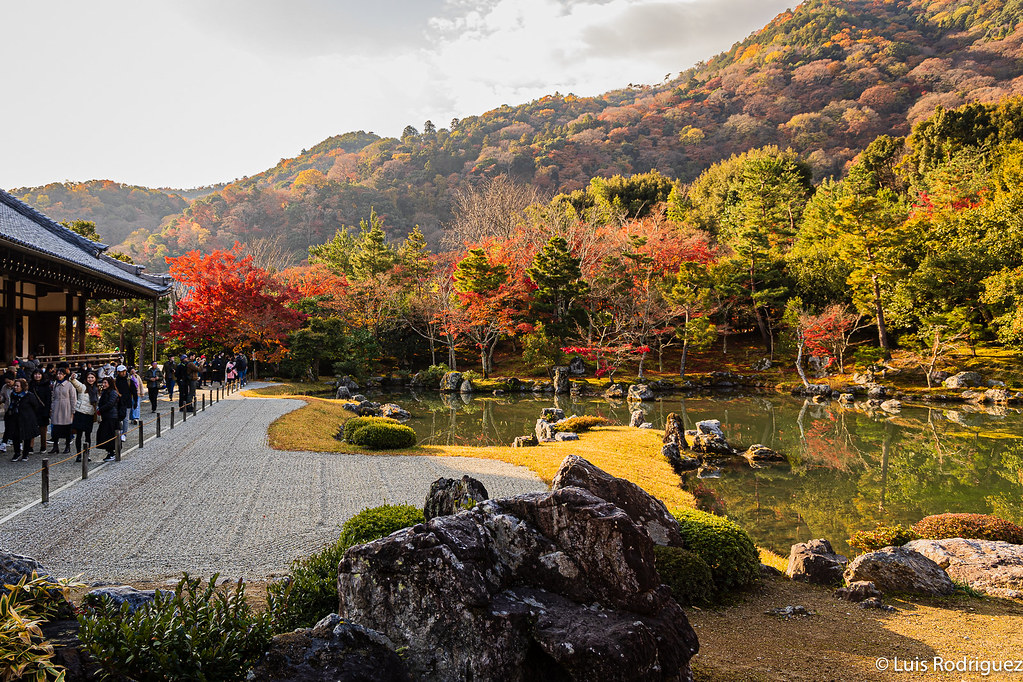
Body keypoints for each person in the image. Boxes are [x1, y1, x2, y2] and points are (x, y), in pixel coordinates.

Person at [8, 378, 43, 461]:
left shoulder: (29, 395)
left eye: (17, 386)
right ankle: (16, 453)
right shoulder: (13, 395)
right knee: (16, 436)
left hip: (27, 418)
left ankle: (25, 454)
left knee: (27, 436)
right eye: (15, 386)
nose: (15, 387)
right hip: (16, 418)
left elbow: (35, 406)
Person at [70, 370, 99, 461]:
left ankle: (87, 454)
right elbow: (75, 383)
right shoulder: (82, 387)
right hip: (80, 413)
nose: (90, 379)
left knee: (88, 435)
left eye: (92, 377)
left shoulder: (96, 389)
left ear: (95, 379)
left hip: (89, 414)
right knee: (79, 435)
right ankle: (78, 455)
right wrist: (72, 378)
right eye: (89, 377)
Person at [48, 366, 76, 454]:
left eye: (61, 374)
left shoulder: (69, 385)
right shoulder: (55, 384)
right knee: (55, 428)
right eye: (58, 374)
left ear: (64, 375)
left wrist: (73, 410)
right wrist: (52, 407)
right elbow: (53, 397)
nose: (59, 375)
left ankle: (67, 446)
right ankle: (55, 446)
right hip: (56, 407)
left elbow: (73, 398)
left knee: (67, 428)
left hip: (66, 407)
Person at [28, 368, 53, 452]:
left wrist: (47, 410)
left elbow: (48, 399)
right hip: (32, 410)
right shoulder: (30, 385)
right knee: (31, 428)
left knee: (43, 430)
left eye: (39, 374)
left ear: (42, 375)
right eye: (35, 374)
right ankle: (30, 446)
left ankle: (43, 446)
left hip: (43, 409)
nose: (37, 376)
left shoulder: (46, 385)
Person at [96, 376, 120, 461]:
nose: (103, 384)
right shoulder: (104, 392)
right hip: (106, 417)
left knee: (109, 435)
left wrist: (100, 410)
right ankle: (110, 452)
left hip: (112, 417)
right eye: (103, 383)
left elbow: (110, 404)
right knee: (104, 435)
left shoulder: (113, 392)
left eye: (105, 383)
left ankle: (112, 452)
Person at [114, 365, 135, 441]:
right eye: (121, 372)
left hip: (127, 402)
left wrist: (135, 401)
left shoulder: (129, 381)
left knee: (126, 419)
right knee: (118, 418)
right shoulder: (115, 381)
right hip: (118, 402)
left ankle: (124, 434)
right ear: (118, 372)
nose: (123, 373)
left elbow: (134, 391)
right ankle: (120, 431)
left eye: (124, 371)